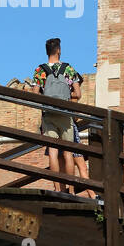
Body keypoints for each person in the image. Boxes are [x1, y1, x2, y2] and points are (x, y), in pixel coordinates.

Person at [32, 38, 81, 193]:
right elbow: (78, 94)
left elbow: (35, 95)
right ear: (58, 50)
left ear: (47, 52)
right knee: (68, 153)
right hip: (65, 114)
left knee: (53, 151)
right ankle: (71, 190)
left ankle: (57, 188)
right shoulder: (68, 69)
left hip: (48, 114)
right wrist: (67, 94)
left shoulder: (40, 70)